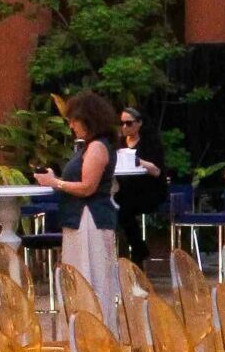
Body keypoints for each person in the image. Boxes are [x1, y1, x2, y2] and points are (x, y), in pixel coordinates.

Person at [34, 90, 122, 327]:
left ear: (88, 119)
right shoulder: (89, 147)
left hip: (89, 219)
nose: (71, 125)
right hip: (78, 219)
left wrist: (56, 183)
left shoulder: (97, 148)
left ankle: (94, 332)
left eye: (74, 120)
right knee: (80, 277)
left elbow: (87, 187)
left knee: (90, 277)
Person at [111, 105, 170, 264]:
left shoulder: (150, 143)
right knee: (117, 206)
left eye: (128, 123)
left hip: (149, 191)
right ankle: (131, 250)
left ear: (139, 123)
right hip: (125, 190)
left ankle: (138, 249)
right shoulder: (120, 143)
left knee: (124, 209)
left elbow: (157, 171)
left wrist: (137, 161)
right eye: (122, 123)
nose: (124, 127)